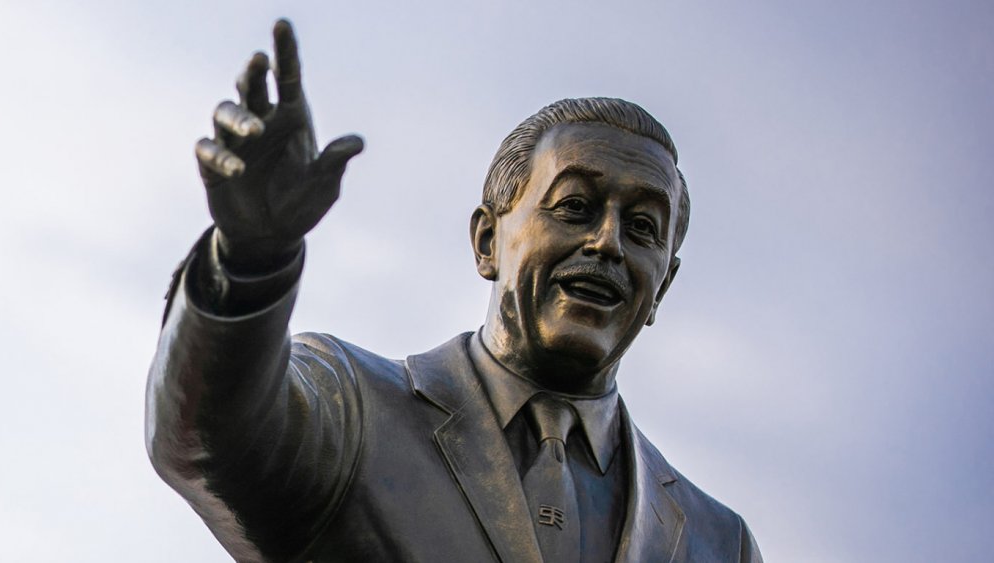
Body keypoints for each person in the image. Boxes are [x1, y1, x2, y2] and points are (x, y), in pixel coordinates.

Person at [147, 19, 762, 563]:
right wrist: (251, 259)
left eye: (644, 228)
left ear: (663, 287)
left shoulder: (718, 542)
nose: (608, 243)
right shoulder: (349, 407)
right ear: (487, 241)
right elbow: (207, 433)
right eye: (574, 206)